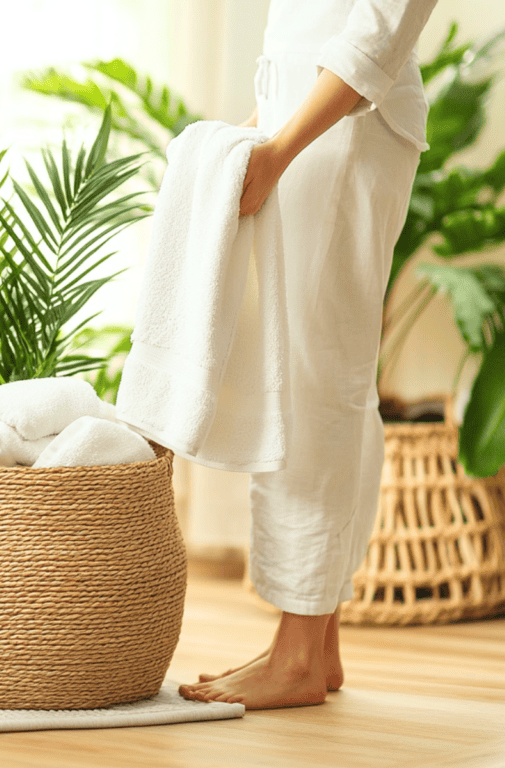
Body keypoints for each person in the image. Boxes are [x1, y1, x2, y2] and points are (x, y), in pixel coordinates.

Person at [179, 0, 437, 710]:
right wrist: (260, 129)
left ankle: (296, 656)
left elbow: (381, 26)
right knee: (317, 379)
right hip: (312, 123)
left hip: (344, 131)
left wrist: (283, 146)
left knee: (316, 386)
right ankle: (315, 646)